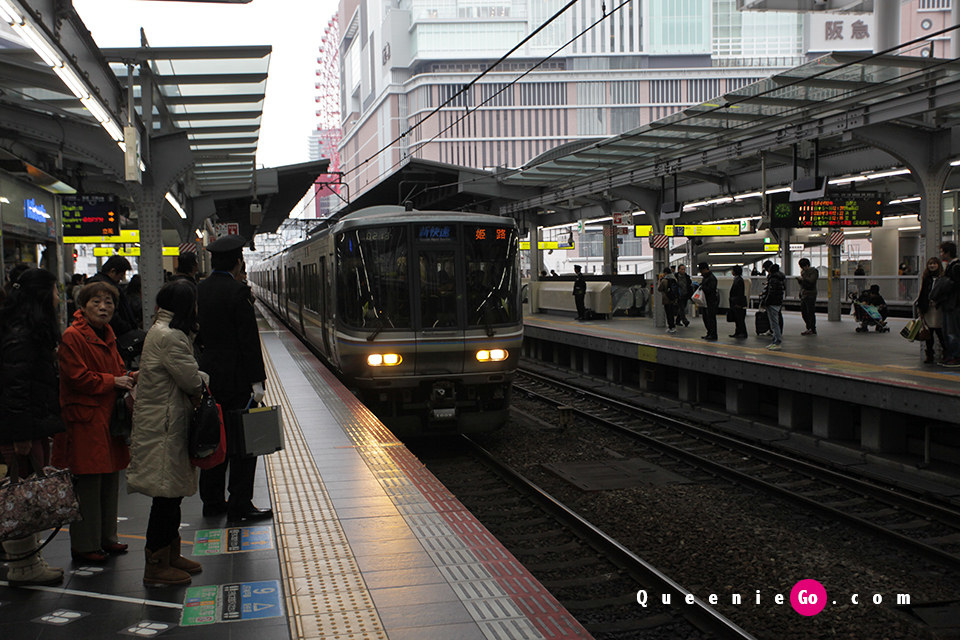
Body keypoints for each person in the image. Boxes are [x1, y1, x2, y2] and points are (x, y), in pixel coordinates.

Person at [128, 280, 206, 586]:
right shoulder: (171, 337)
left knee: (170, 495)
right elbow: (190, 380)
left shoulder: (163, 332)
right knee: (165, 496)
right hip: (165, 425)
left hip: (165, 420)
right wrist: (204, 380)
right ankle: (156, 564)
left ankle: (171, 554)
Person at [53, 281, 136, 563]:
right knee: (88, 483)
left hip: (106, 417)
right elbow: (77, 377)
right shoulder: (72, 336)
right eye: (96, 302)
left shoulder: (107, 333)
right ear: (83, 306)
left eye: (109, 302)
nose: (103, 307)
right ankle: (85, 545)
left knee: (110, 479)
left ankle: (106, 538)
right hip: (85, 419)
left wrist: (130, 375)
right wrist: (114, 381)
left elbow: (115, 369)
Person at [197, 235, 270, 523]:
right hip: (238, 379)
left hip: (211, 376)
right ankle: (240, 504)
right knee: (243, 442)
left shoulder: (201, 290)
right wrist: (258, 381)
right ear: (239, 261)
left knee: (216, 438)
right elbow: (248, 341)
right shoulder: (238, 292)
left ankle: (212, 501)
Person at [0, 268, 66, 585]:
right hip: (20, 428)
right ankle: (23, 566)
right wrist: (20, 435)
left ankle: (28, 559)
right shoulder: (21, 334)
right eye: (55, 290)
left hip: (27, 424)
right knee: (20, 494)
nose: (58, 297)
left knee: (23, 491)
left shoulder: (24, 328)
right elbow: (15, 388)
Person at [87, 256, 138, 339]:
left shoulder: (101, 283)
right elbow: (113, 316)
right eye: (121, 275)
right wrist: (127, 329)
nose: (121, 279)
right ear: (112, 271)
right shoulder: (104, 287)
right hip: (113, 335)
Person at [916, 257, 947, 364]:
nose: (932, 265)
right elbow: (922, 293)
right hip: (928, 309)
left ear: (938, 265)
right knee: (929, 333)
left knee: (940, 332)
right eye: (930, 264)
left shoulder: (943, 278)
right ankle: (929, 354)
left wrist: (938, 302)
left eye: (934, 263)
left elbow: (945, 294)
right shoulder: (926, 278)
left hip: (939, 309)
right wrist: (920, 307)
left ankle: (946, 353)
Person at [937, 242, 960, 367]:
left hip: (953, 304)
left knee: (952, 332)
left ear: (948, 252)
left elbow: (954, 286)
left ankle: (955, 357)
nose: (940, 254)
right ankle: (951, 355)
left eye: (942, 252)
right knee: (948, 331)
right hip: (949, 304)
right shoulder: (950, 266)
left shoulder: (956, 267)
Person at [759, 261, 785, 350]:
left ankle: (777, 342)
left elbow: (771, 293)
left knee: (774, 323)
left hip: (772, 303)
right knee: (774, 323)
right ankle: (775, 341)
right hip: (777, 302)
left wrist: (765, 302)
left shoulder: (773, 279)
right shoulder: (779, 278)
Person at [697, 262, 719, 341]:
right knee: (706, 318)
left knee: (711, 318)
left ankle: (713, 334)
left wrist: (703, 287)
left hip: (711, 301)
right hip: (705, 302)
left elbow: (711, 289)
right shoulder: (705, 277)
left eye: (701, 270)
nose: (701, 272)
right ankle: (709, 332)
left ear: (705, 269)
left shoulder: (712, 278)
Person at [797, 258, 818, 336]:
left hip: (811, 293)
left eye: (804, 266)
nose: (803, 269)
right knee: (804, 312)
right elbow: (802, 285)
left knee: (810, 312)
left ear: (807, 265)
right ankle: (808, 327)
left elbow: (812, 281)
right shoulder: (803, 272)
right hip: (804, 293)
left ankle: (812, 328)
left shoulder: (814, 271)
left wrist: (803, 279)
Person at [727, 265, 748, 339]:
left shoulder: (739, 280)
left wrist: (738, 303)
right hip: (735, 302)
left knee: (740, 319)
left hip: (737, 302)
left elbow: (739, 293)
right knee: (737, 318)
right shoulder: (737, 279)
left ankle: (742, 332)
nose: (731, 272)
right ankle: (738, 332)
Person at [657, 267, 679, 334]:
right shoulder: (674, 279)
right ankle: (673, 327)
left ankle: (671, 327)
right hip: (673, 299)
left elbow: (659, 289)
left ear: (665, 273)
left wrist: (659, 282)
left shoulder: (664, 280)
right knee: (672, 313)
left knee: (668, 314)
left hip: (666, 299)